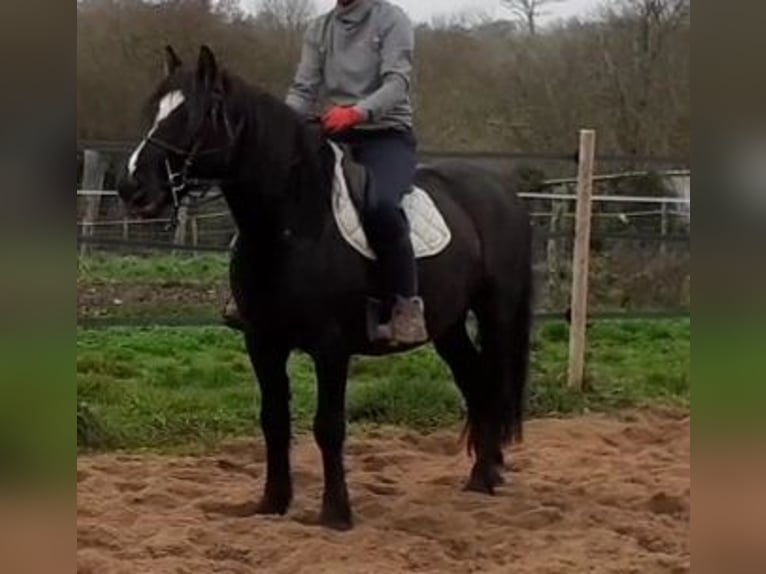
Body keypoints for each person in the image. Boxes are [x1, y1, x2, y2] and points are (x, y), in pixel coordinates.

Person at [225, 0, 427, 344]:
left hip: (385, 135)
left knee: (380, 206)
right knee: (268, 191)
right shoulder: (319, 28)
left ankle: (406, 306)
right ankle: (247, 291)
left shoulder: (391, 19)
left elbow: (397, 85)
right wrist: (282, 130)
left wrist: (359, 112)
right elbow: (304, 88)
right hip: (334, 131)